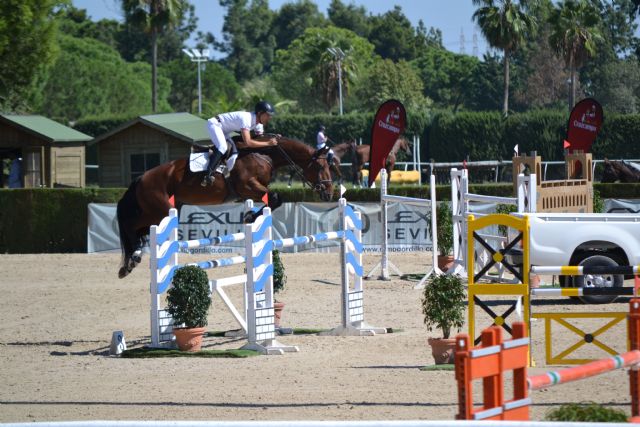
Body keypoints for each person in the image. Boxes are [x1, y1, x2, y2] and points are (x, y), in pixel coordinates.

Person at [202, 101, 278, 186]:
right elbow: (248, 142)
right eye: (268, 115)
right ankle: (208, 174)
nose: (269, 118)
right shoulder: (246, 119)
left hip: (224, 130)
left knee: (234, 151)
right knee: (223, 147)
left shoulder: (259, 124)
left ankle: (222, 170)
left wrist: (275, 137)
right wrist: (268, 143)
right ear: (260, 113)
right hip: (215, 124)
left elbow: (261, 138)